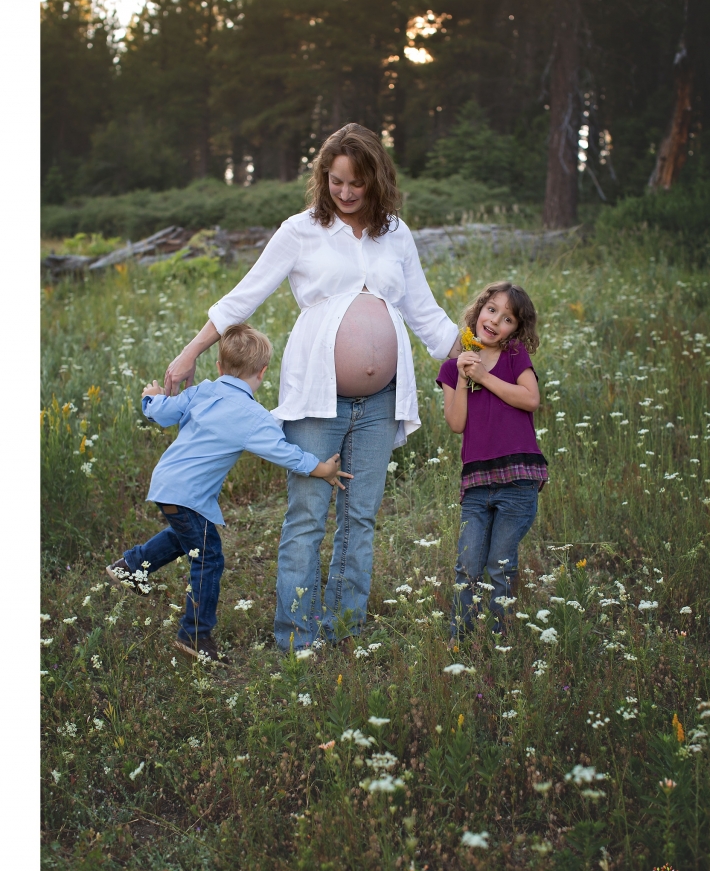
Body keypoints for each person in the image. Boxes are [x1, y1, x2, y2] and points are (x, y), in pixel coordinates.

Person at [164, 123, 460, 652]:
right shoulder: (300, 230)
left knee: (361, 517)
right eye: (335, 181)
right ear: (323, 177)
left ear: (378, 181)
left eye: (357, 184)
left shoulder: (397, 234)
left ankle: (344, 631)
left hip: (382, 401)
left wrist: (478, 358)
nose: (344, 193)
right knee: (307, 515)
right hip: (317, 396)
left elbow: (427, 313)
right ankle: (297, 637)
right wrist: (191, 352)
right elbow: (244, 295)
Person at [106, 324, 350, 663]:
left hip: (169, 483)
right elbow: (284, 452)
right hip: (187, 492)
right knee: (208, 556)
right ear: (263, 372)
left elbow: (161, 413)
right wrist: (321, 468)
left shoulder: (200, 392)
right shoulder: (252, 416)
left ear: (219, 367)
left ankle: (131, 566)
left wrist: (151, 397)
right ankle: (195, 632)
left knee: (187, 537)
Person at [436, 282, 548, 640]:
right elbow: (456, 424)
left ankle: (498, 640)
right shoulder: (453, 368)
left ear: (516, 329)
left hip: (518, 478)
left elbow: (531, 399)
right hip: (477, 483)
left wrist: (484, 376)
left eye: (508, 318)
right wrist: (466, 372)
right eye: (492, 310)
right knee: (467, 566)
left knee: (499, 566)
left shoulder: (514, 356)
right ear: (478, 310)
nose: (496, 320)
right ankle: (461, 639)